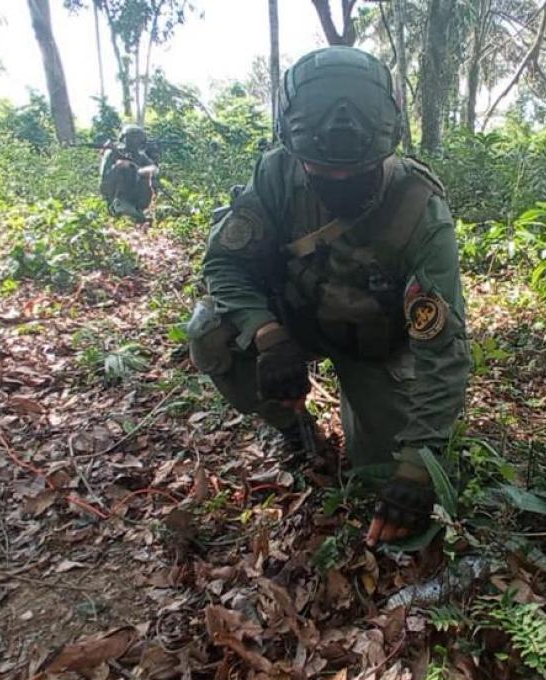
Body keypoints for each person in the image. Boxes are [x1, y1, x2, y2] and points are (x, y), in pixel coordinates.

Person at [187, 47, 470, 547]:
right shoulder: (275, 175)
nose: (338, 183)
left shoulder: (420, 210)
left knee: (387, 482)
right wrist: (268, 336)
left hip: (376, 346)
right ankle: (296, 430)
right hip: (296, 323)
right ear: (297, 154)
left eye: (356, 173)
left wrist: (416, 468)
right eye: (321, 172)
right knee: (210, 331)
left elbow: (443, 351)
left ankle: (364, 416)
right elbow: (225, 264)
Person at [100, 124, 159, 222]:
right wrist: (123, 166)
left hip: (134, 193)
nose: (134, 141)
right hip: (115, 192)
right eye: (131, 138)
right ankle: (119, 206)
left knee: (147, 176)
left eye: (137, 138)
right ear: (124, 138)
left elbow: (154, 169)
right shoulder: (112, 153)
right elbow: (104, 178)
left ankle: (139, 209)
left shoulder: (140, 156)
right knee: (125, 167)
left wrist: (140, 171)